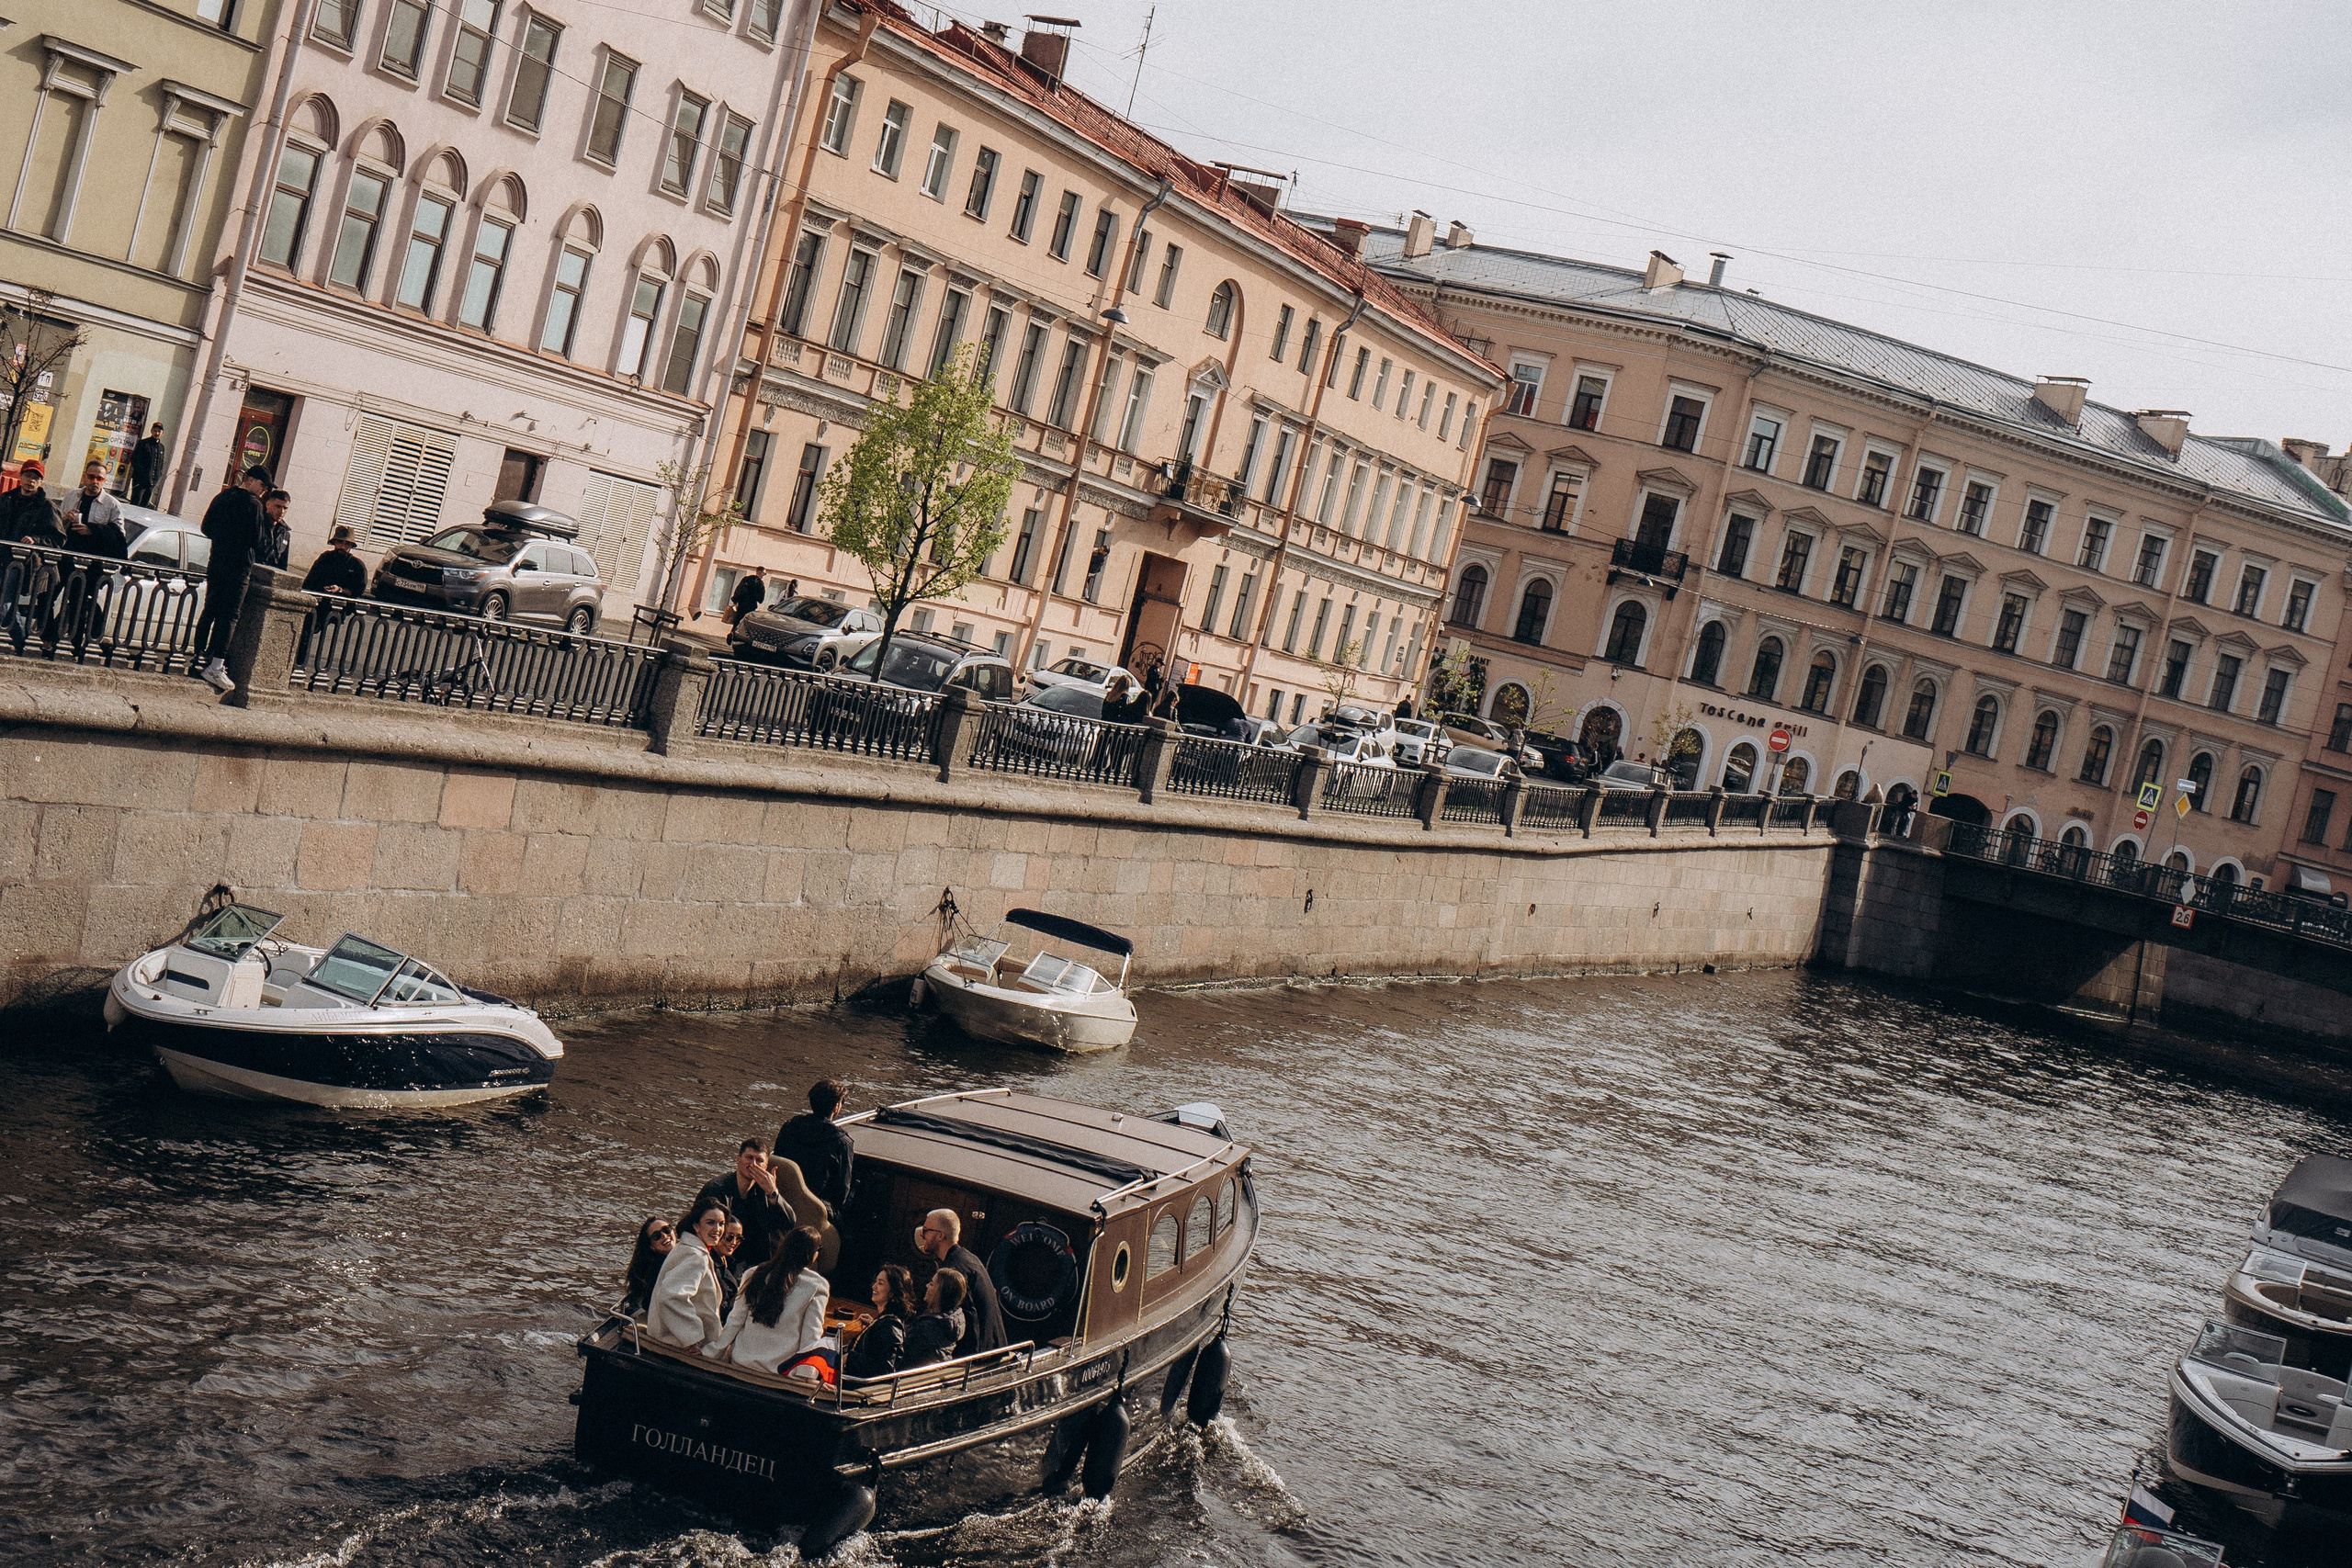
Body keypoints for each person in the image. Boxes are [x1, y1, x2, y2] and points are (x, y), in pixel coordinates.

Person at [704, 1226, 828, 1375]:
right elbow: (811, 1335)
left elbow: (735, 1321)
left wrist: (711, 1352)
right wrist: (806, 1376)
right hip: (779, 1373)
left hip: (742, 1362)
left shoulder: (753, 1274)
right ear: (812, 1255)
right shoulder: (817, 1286)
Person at [193, 465, 269, 693]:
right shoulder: (254, 505)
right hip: (238, 567)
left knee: (210, 610)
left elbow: (206, 527)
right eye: (263, 485)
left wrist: (224, 538)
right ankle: (216, 666)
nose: (264, 490)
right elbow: (259, 541)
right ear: (251, 481)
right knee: (229, 616)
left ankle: (197, 656)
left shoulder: (223, 496)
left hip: (217, 561)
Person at [691, 1138, 796, 1270]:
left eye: (759, 1160)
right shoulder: (716, 1190)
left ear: (766, 1166)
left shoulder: (766, 1190)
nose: (753, 1164)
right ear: (738, 1159)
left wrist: (773, 1193)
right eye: (749, 1158)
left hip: (758, 1260)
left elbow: (789, 1223)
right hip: (726, 1258)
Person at [914, 1208, 1004, 1357]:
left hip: (977, 1358)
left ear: (940, 1235)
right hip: (993, 1348)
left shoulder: (953, 1272)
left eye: (925, 1230)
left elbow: (962, 1318)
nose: (922, 1235)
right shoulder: (969, 1259)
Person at [648, 1197, 730, 1348]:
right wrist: (692, 1339)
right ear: (696, 1226)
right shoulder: (696, 1256)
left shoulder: (687, 1248)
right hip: (684, 1344)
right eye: (710, 1223)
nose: (717, 1229)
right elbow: (670, 1296)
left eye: (721, 1224)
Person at [774, 1079, 854, 1220]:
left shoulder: (790, 1127)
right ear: (836, 1107)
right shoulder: (842, 1143)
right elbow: (841, 1194)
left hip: (783, 1199)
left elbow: (777, 1161)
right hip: (817, 1210)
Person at [842, 1263, 919, 1380]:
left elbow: (883, 1370)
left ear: (893, 1292)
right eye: (876, 1282)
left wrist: (850, 1358)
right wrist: (874, 1324)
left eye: (880, 1283)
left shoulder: (890, 1327)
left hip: (856, 1388)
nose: (874, 1286)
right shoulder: (884, 1322)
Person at [902, 1267, 967, 1367]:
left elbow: (904, 1354)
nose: (927, 1285)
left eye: (932, 1284)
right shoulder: (953, 1317)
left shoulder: (930, 1327)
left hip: (917, 1376)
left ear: (941, 1292)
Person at [618, 1215, 675, 1316]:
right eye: (657, 1236)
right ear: (651, 1245)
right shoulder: (654, 1269)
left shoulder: (688, 1253)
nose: (664, 1236)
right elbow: (649, 1304)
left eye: (666, 1230)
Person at [301, 524, 368, 596]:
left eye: (347, 544)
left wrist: (340, 590)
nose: (343, 546)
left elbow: (358, 591)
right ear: (335, 542)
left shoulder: (357, 565)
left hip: (342, 604)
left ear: (351, 546)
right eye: (340, 542)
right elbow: (309, 582)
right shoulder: (325, 558)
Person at [712, 1213, 747, 1317]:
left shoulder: (733, 1263)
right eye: (729, 1237)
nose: (734, 1242)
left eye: (739, 1238)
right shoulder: (709, 1264)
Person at [130, 424, 167, 507]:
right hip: (140, 480)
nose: (157, 433)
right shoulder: (143, 443)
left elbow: (161, 463)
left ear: (162, 433)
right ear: (151, 431)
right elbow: (134, 459)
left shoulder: (161, 448)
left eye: (159, 431)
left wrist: (158, 475)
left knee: (144, 504)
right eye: (155, 431)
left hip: (152, 482)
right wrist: (142, 474)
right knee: (135, 502)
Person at [259, 489, 293, 570]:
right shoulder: (257, 524)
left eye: (285, 508)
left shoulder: (285, 534)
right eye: (278, 506)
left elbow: (283, 564)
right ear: (268, 504)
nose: (281, 511)